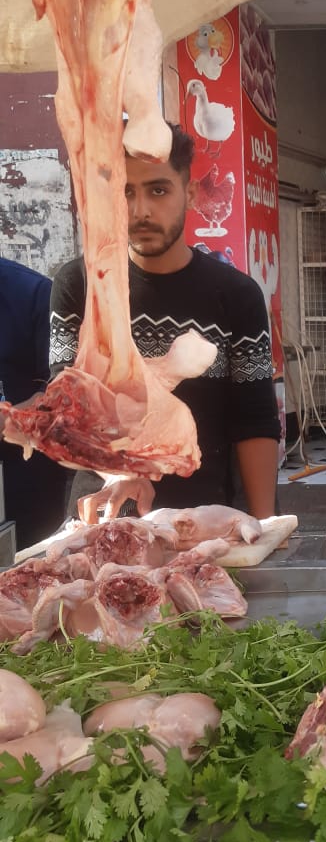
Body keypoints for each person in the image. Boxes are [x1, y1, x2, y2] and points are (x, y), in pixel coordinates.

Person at [50, 124, 281, 522]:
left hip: (205, 523)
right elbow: (68, 409)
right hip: (100, 519)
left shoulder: (236, 295)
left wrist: (265, 527)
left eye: (158, 190)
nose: (140, 210)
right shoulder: (79, 286)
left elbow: (255, 421)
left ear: (189, 193)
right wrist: (124, 470)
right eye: (126, 191)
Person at [0, 256, 69, 550]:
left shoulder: (35, 293)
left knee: (31, 565)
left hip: (25, 475)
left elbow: (62, 388)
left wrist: (15, 417)